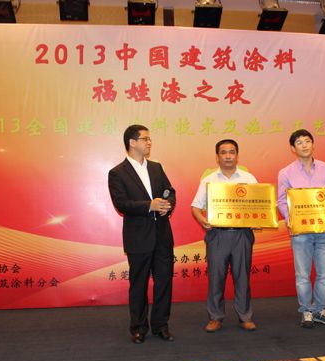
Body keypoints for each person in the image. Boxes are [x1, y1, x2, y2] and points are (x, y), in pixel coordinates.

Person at [108, 124, 176, 344]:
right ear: (132, 142)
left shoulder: (156, 167)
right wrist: (150, 206)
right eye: (145, 139)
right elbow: (121, 203)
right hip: (138, 238)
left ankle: (161, 325)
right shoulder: (117, 173)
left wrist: (167, 205)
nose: (149, 142)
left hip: (162, 236)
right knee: (139, 285)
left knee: (164, 282)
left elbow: (170, 191)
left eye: (149, 139)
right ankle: (138, 327)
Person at [191, 139, 258, 333]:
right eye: (223, 152)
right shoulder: (209, 180)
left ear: (237, 155)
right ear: (217, 157)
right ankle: (215, 317)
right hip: (217, 236)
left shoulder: (249, 178)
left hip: (242, 235)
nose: (228, 156)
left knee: (242, 278)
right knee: (216, 278)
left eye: (232, 152)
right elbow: (195, 207)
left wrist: (257, 218)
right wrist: (202, 220)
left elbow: (259, 205)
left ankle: (245, 317)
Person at [277, 129, 325, 329]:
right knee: (303, 275)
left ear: (313, 144)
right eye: (299, 142)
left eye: (307, 141)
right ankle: (306, 311)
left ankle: (320, 310)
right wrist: (290, 220)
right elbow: (281, 201)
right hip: (301, 232)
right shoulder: (285, 172)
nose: (304, 145)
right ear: (292, 148)